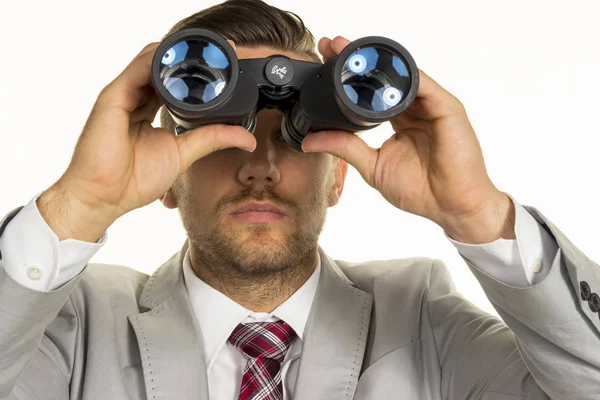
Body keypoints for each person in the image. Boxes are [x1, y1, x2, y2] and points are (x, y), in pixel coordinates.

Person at [0, 0, 598, 399]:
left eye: (297, 136)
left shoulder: (419, 316)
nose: (260, 167)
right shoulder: (74, 326)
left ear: (339, 176)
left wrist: (480, 216)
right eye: (222, 137)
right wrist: (77, 207)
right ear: (166, 176)